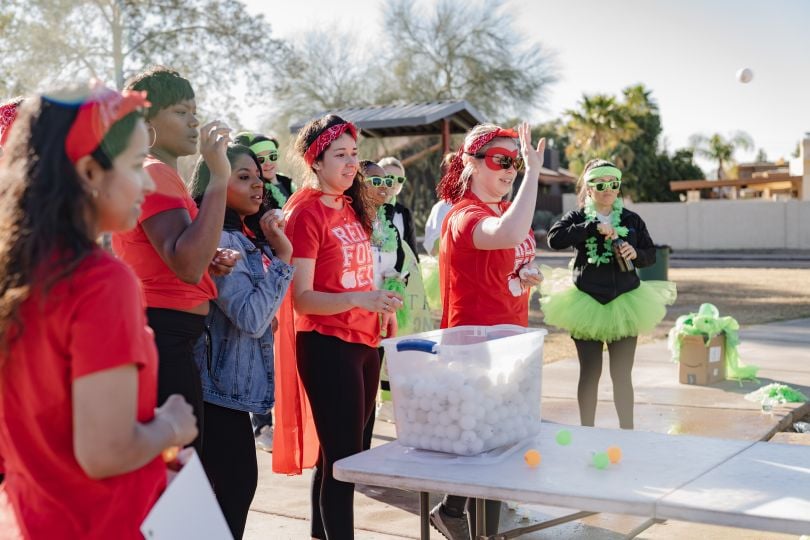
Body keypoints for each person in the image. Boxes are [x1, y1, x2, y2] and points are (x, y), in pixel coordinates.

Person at [0, 82, 198, 539]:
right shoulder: (100, 282)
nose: (148, 182)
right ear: (90, 172)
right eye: (134, 165)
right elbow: (106, 451)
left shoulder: (20, 272)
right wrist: (169, 426)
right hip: (103, 523)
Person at [280, 114, 402, 539]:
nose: (352, 164)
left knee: (341, 457)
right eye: (340, 155)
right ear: (315, 161)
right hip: (327, 344)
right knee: (345, 463)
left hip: (364, 342)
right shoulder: (306, 211)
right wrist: (358, 299)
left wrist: (381, 303)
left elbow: (353, 275)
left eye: (355, 154)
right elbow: (302, 298)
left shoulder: (350, 206)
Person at [112, 66, 236, 455]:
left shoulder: (158, 173)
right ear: (145, 120)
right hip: (164, 333)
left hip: (168, 332)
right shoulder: (154, 171)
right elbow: (186, 264)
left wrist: (207, 257)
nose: (194, 120)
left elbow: (181, 255)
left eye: (194, 110)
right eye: (181, 112)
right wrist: (218, 178)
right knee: (177, 470)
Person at [432, 122, 545, 540]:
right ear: (470, 163)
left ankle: (454, 513)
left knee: (498, 447)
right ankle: (471, 524)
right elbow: (510, 234)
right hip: (476, 349)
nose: (511, 169)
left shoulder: (498, 211)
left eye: (514, 162)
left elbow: (507, 251)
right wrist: (534, 172)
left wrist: (523, 273)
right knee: (489, 450)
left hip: (508, 341)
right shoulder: (465, 216)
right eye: (501, 160)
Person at [189, 144, 294, 538]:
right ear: (214, 182)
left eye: (258, 177)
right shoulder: (222, 238)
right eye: (243, 177)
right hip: (216, 391)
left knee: (228, 495)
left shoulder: (244, 236)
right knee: (232, 492)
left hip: (226, 389)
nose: (258, 186)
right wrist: (283, 254)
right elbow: (251, 317)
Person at [543, 159, 676, 430]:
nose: (609, 189)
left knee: (622, 375)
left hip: (625, 302)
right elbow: (554, 239)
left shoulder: (631, 220)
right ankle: (587, 432)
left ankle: (628, 431)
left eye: (614, 184)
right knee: (590, 373)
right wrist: (591, 228)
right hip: (585, 302)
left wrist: (635, 253)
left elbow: (649, 255)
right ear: (589, 188)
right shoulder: (578, 217)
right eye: (601, 184)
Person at [232, 130, 295, 452]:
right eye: (261, 160)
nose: (268, 165)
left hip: (285, 274)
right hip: (263, 274)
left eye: (273, 156)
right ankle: (262, 421)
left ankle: (281, 417)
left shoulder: (285, 184)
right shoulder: (245, 198)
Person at [359, 160, 406, 451]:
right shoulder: (349, 224)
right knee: (350, 406)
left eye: (386, 182)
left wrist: (395, 284)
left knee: (369, 397)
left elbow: (395, 266)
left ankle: (362, 457)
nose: (385, 187)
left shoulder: (387, 224)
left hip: (378, 321)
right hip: (351, 320)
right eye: (375, 181)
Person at [378, 156, 418, 259]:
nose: (395, 182)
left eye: (399, 179)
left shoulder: (405, 213)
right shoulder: (364, 208)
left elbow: (412, 253)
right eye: (390, 177)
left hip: (397, 274)